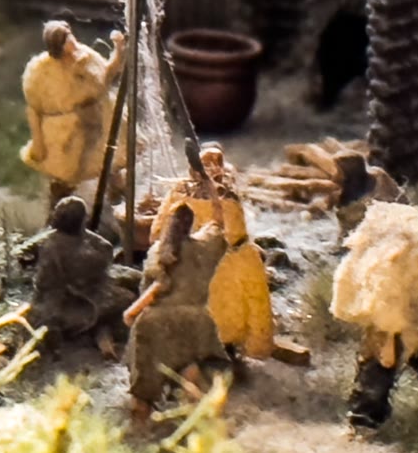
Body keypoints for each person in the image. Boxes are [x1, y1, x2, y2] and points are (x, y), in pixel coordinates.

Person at [330, 203, 418, 431]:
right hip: (393, 293)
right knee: (385, 351)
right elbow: (387, 312)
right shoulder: (395, 267)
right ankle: (366, 411)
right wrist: (390, 335)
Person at [151, 144, 275, 359]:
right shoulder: (228, 201)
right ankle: (245, 345)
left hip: (189, 259)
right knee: (254, 296)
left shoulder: (178, 194)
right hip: (230, 259)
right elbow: (236, 235)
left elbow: (157, 232)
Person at [123, 205, 228, 418]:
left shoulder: (156, 253)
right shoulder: (205, 248)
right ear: (191, 226)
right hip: (197, 320)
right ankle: (189, 381)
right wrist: (212, 193)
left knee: (144, 366)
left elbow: (148, 291)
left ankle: (142, 406)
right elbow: (218, 225)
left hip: (157, 322)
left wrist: (131, 315)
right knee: (189, 359)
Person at [21, 21, 125, 208]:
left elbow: (106, 76)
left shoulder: (86, 56)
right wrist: (38, 142)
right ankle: (60, 213)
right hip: (67, 133)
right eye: (66, 38)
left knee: (112, 166)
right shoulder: (41, 71)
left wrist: (119, 50)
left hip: (100, 120)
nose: (72, 40)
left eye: (70, 34)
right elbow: (34, 109)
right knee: (65, 178)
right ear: (57, 45)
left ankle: (116, 208)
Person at [29, 196, 126, 358]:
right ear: (81, 222)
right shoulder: (85, 249)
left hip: (68, 299)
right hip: (79, 301)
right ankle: (101, 334)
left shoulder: (51, 243)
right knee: (126, 297)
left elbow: (42, 281)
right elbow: (106, 253)